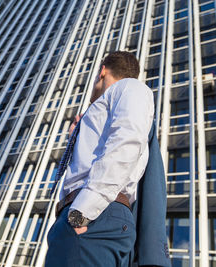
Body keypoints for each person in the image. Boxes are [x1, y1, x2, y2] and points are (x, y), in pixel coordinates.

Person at [45, 51, 165, 267]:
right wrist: (78, 133)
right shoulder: (107, 105)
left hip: (93, 214)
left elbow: (127, 139)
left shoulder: (130, 87)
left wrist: (83, 211)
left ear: (102, 71)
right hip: (83, 217)